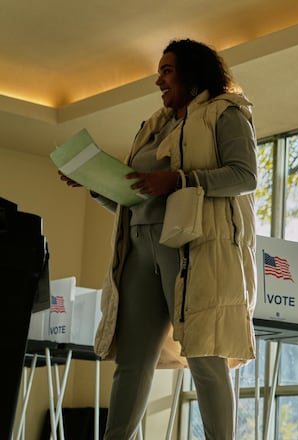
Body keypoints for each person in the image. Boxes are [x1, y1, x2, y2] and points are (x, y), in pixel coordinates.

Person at [60, 39, 258, 439]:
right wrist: (95, 186)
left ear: (191, 72)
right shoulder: (154, 125)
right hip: (138, 245)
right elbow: (135, 198)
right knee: (132, 359)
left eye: (167, 71)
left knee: (205, 353)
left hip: (196, 248)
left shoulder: (226, 112)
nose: (158, 81)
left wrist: (179, 180)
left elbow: (244, 176)